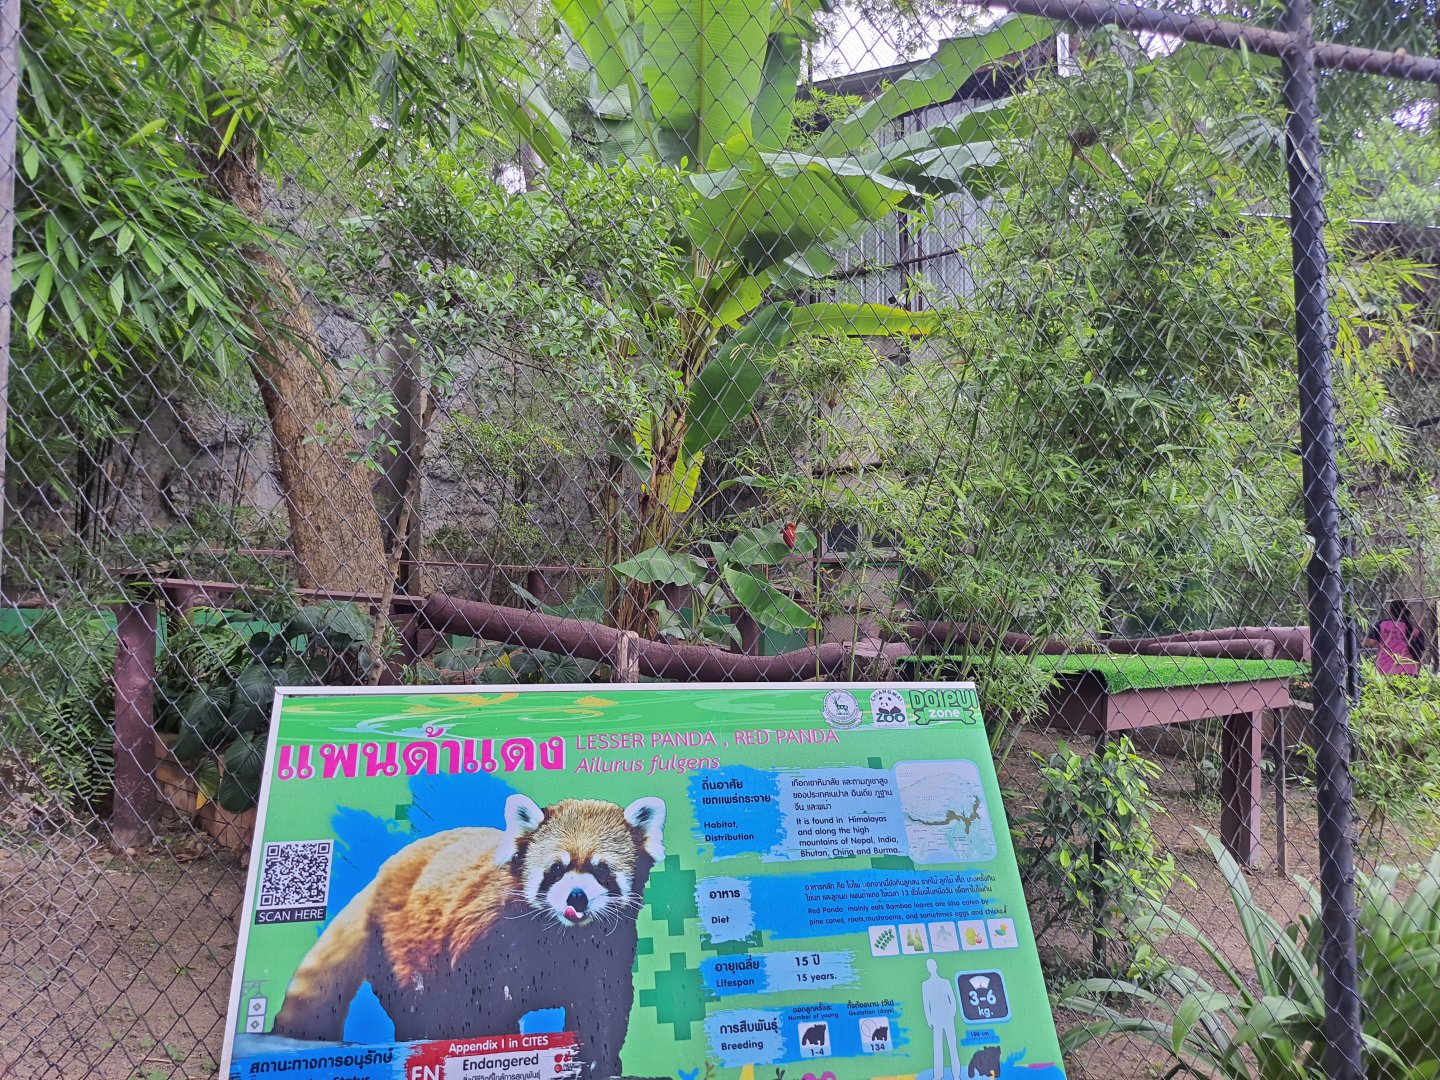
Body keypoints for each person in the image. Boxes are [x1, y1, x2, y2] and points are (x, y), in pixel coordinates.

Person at [1365, 601, 1423, 676]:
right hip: (1409, 670)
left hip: (1386, 670)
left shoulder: (1382, 624)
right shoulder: (1415, 629)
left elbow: (1370, 642)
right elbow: (1419, 653)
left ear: (1390, 612)